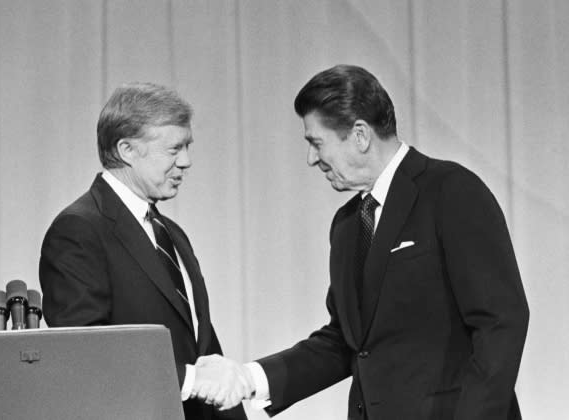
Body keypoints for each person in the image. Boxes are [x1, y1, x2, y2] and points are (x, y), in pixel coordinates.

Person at [197, 65, 530, 420]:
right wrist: (248, 377)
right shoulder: (347, 225)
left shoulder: (451, 191)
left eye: (316, 142)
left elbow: (500, 322)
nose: (311, 159)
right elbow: (344, 343)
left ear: (359, 134)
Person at [39, 82, 249, 420]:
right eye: (174, 149)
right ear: (127, 149)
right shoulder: (79, 230)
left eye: (188, 147)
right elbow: (84, 354)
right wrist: (191, 379)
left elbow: (201, 346)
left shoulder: (171, 233)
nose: (186, 161)